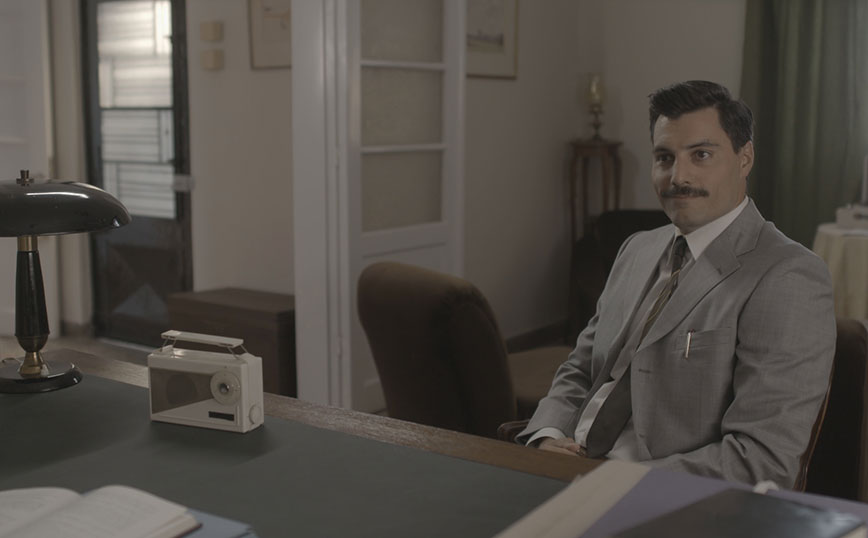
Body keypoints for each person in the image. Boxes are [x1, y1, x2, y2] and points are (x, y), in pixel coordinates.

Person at [517, 80, 836, 488]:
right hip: (559, 471)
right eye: (664, 157)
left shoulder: (788, 276)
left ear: (745, 158)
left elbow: (761, 459)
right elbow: (581, 368)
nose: (678, 176)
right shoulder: (636, 249)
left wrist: (612, 481)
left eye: (701, 155)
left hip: (656, 494)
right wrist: (546, 435)